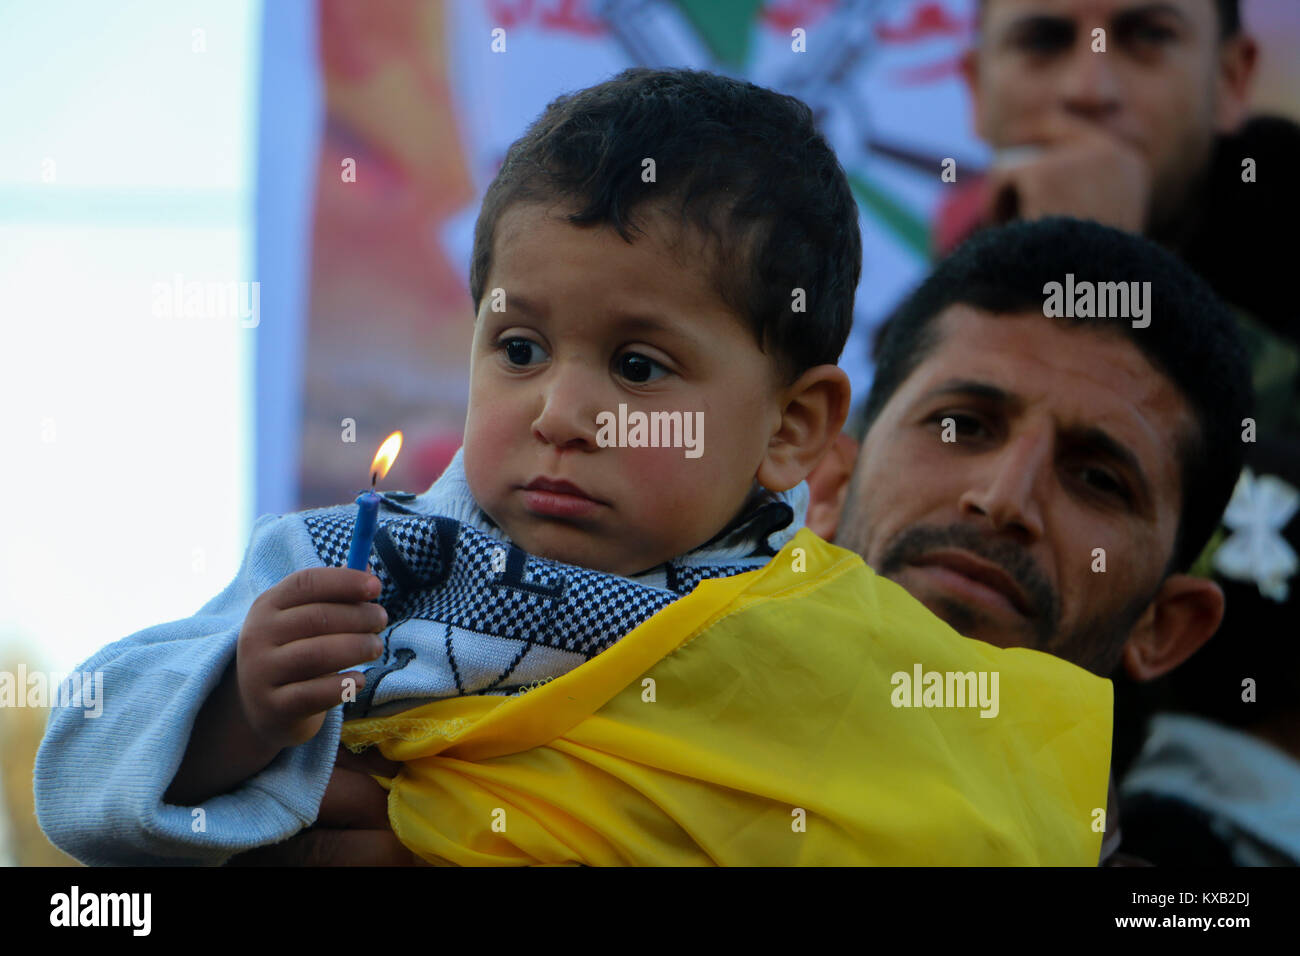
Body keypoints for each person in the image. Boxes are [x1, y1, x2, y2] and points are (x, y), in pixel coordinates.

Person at [231, 215, 1254, 866]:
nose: (1002, 496)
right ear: (826, 470)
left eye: (1095, 477)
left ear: (1168, 624)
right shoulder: (469, 693)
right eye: (961, 425)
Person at [34, 67, 860, 865]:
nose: (559, 415)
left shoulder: (821, 640)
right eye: (521, 349)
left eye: (638, 367)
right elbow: (78, 778)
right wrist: (241, 705)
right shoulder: (340, 570)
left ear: (790, 426)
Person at [935, 0, 1298, 438]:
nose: (1089, 90)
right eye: (1042, 41)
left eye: (1148, 36)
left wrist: (1100, 275)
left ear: (1230, 79)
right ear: (976, 90)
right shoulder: (923, 326)